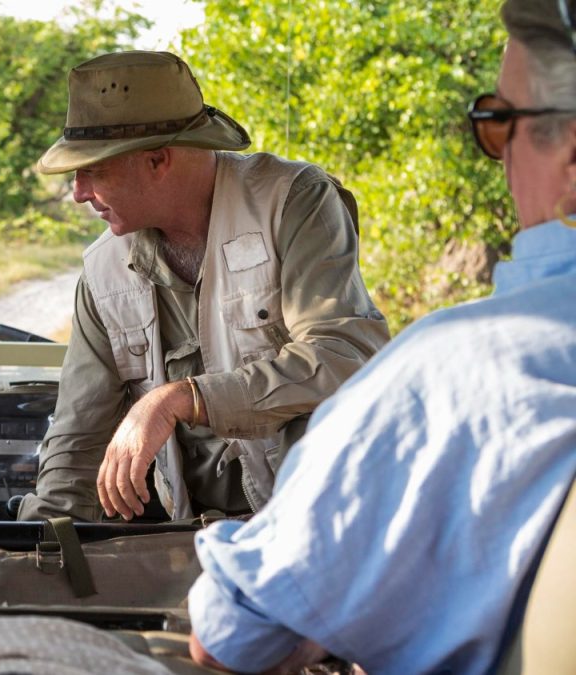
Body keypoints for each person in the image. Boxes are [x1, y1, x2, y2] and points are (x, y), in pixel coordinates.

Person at [187, 0, 576, 671]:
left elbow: (231, 635)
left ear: (569, 155)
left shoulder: (455, 370)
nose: (501, 156)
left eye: (497, 123)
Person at [18, 51, 390, 523]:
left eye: (93, 169)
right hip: (192, 538)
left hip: (320, 522)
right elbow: (78, 439)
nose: (78, 192)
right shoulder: (104, 272)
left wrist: (182, 398)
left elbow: (345, 356)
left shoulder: (292, 203)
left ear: (158, 160)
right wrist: (41, 543)